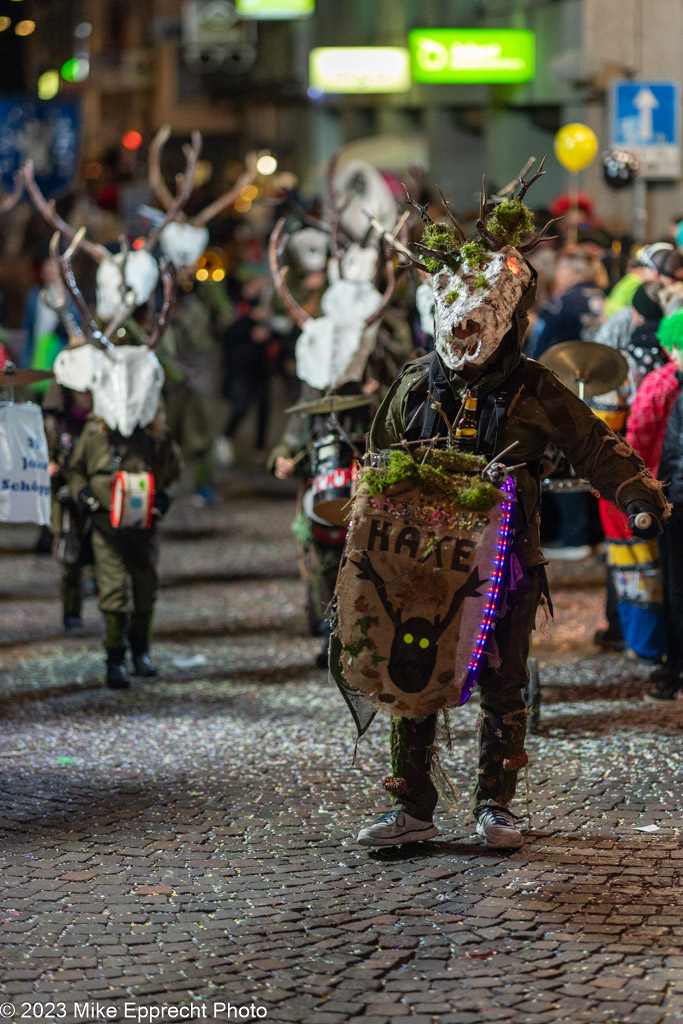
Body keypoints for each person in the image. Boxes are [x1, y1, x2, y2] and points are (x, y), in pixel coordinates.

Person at [332, 179, 669, 849]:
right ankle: (411, 806)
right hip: (418, 566)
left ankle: (496, 804)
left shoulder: (535, 386)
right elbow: (376, 461)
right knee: (412, 675)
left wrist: (636, 497)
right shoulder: (412, 383)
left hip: (504, 565)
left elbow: (595, 444)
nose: (464, 322)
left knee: (503, 680)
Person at [68, 399, 182, 689]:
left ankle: (140, 651)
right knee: (113, 592)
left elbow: (174, 473)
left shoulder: (158, 438)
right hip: (106, 526)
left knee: (145, 589)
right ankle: (115, 658)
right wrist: (83, 494)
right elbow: (77, 469)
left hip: (144, 528)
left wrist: (165, 497)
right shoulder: (95, 435)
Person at [525, 248, 605, 362]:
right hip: (595, 362)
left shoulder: (560, 303)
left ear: (573, 272)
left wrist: (530, 365)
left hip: (564, 366)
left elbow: (540, 341)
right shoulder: (600, 294)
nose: (557, 273)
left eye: (560, 268)